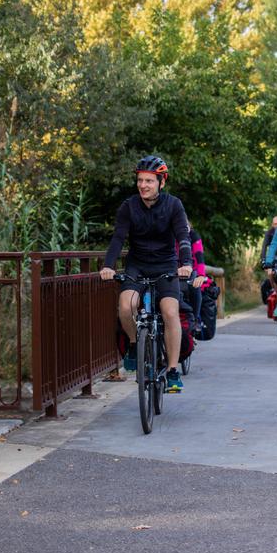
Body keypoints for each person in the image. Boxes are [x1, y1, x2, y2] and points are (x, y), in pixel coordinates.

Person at [99, 155, 193, 393]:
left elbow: (183, 237)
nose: (143, 185)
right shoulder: (129, 207)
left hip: (166, 265)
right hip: (137, 265)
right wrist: (108, 266)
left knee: (170, 311)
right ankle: (133, 344)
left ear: (161, 182)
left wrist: (186, 264)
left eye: (149, 181)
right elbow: (118, 238)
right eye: (140, 180)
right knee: (126, 306)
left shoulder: (174, 205)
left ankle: (172, 371)